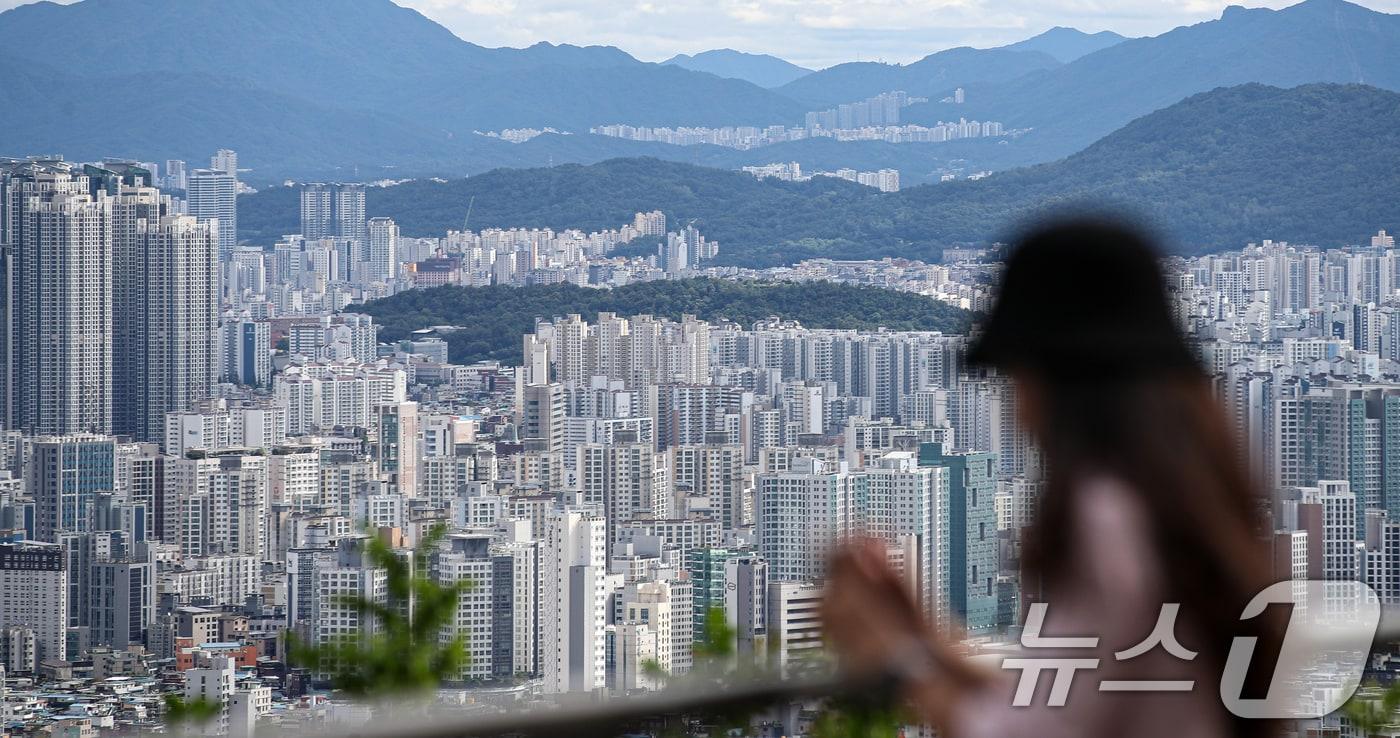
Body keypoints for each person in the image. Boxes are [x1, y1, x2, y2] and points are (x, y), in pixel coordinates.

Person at [821, 220, 1280, 738]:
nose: (1014, 406)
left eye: (1014, 377)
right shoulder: (1190, 495)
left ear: (1053, 380)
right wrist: (924, 631)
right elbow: (1077, 692)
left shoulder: (1106, 516)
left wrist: (892, 656)